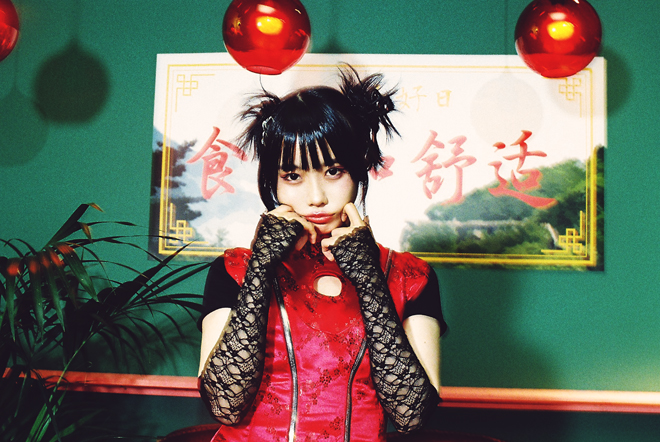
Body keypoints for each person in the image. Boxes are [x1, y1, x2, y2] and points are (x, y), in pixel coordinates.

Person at [197, 66, 447, 442]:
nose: (316, 197)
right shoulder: (233, 270)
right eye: (292, 176)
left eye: (333, 171)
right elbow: (224, 405)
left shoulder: (410, 277)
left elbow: (410, 415)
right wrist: (260, 268)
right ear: (272, 181)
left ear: (358, 169)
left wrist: (369, 282)